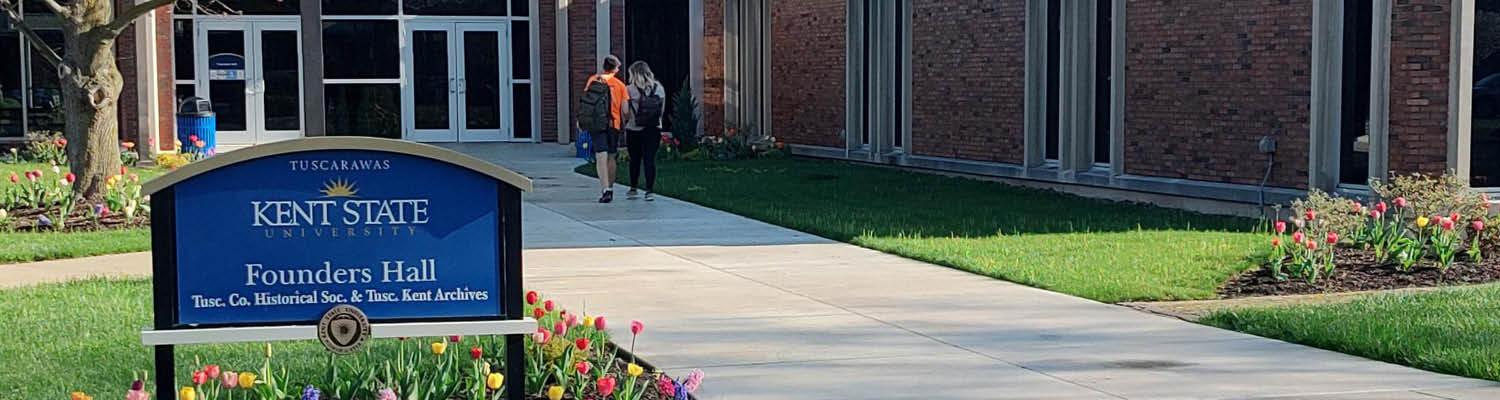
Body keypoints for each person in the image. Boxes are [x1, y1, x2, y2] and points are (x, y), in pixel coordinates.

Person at [578, 55, 630, 203]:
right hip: (614, 124)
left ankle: (605, 188)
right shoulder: (620, 85)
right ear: (615, 69)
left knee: (601, 155)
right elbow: (625, 110)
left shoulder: (593, 80)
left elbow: (586, 102)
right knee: (611, 156)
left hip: (596, 123)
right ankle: (611, 188)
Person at [623, 61, 666, 201]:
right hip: (654, 129)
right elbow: (662, 110)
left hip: (634, 128)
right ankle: (649, 191)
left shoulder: (629, 89)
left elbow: (625, 112)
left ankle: (633, 188)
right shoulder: (659, 88)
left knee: (634, 159)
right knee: (649, 159)